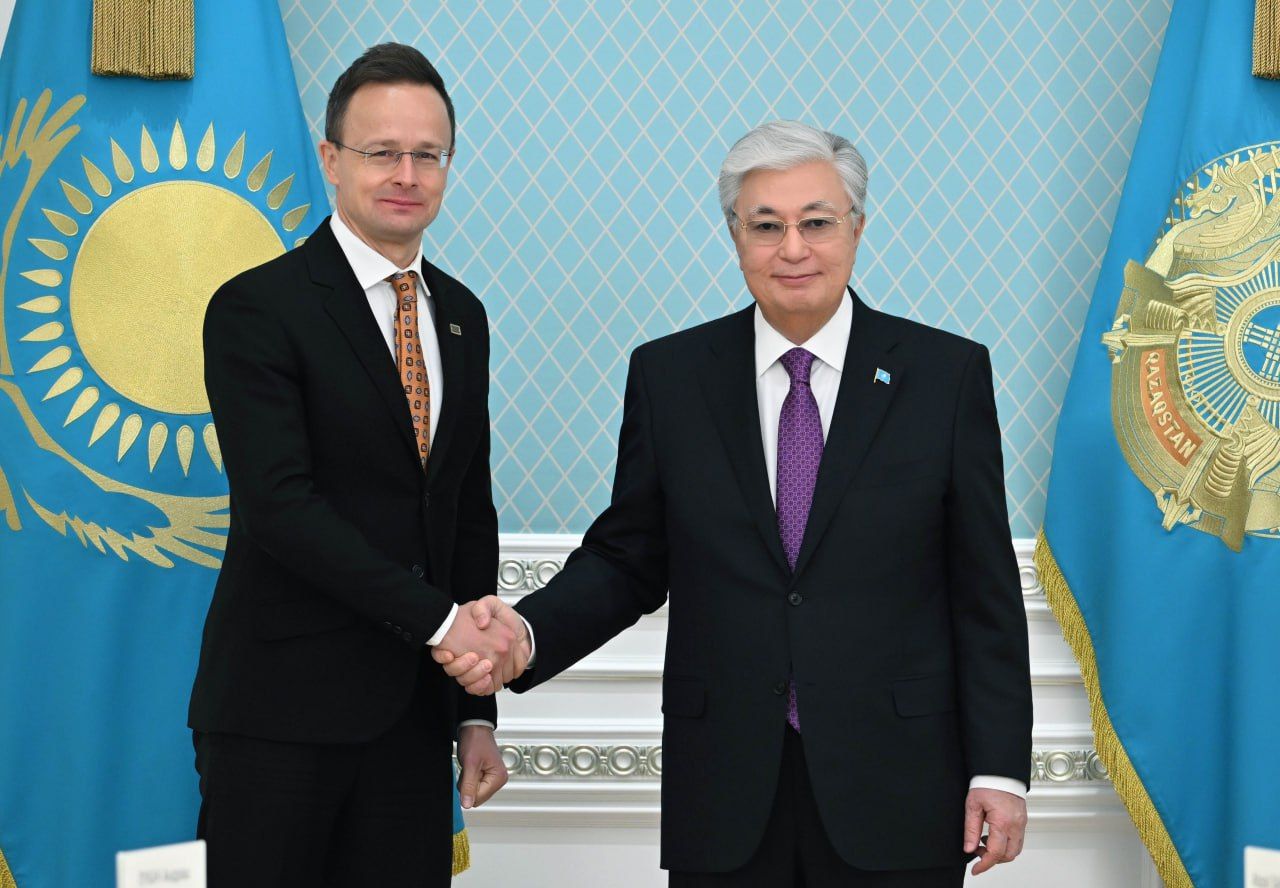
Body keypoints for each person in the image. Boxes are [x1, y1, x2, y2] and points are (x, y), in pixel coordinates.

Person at [436, 121, 1033, 887]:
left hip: (899, 786)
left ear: (856, 228)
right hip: (725, 790)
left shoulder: (944, 376)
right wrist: (526, 634)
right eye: (766, 226)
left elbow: (983, 591)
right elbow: (627, 558)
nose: (793, 248)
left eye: (817, 222)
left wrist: (999, 770)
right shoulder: (671, 376)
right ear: (735, 235)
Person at [188, 43, 524, 888]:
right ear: (332, 159)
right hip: (278, 717)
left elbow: (465, 513)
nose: (407, 174)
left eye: (428, 154)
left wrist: (475, 712)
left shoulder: (462, 316)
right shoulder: (257, 307)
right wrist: (443, 625)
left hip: (412, 721)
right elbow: (280, 509)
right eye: (382, 152)